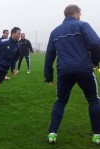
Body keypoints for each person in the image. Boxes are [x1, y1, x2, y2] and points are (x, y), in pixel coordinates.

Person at [44, 4, 100, 144]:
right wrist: (95, 62)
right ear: (75, 13)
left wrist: (48, 76)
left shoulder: (55, 31)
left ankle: (52, 133)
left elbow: (49, 55)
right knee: (93, 99)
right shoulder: (82, 25)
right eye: (79, 14)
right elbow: (96, 44)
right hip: (84, 68)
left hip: (64, 71)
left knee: (60, 101)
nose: (80, 16)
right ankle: (97, 135)